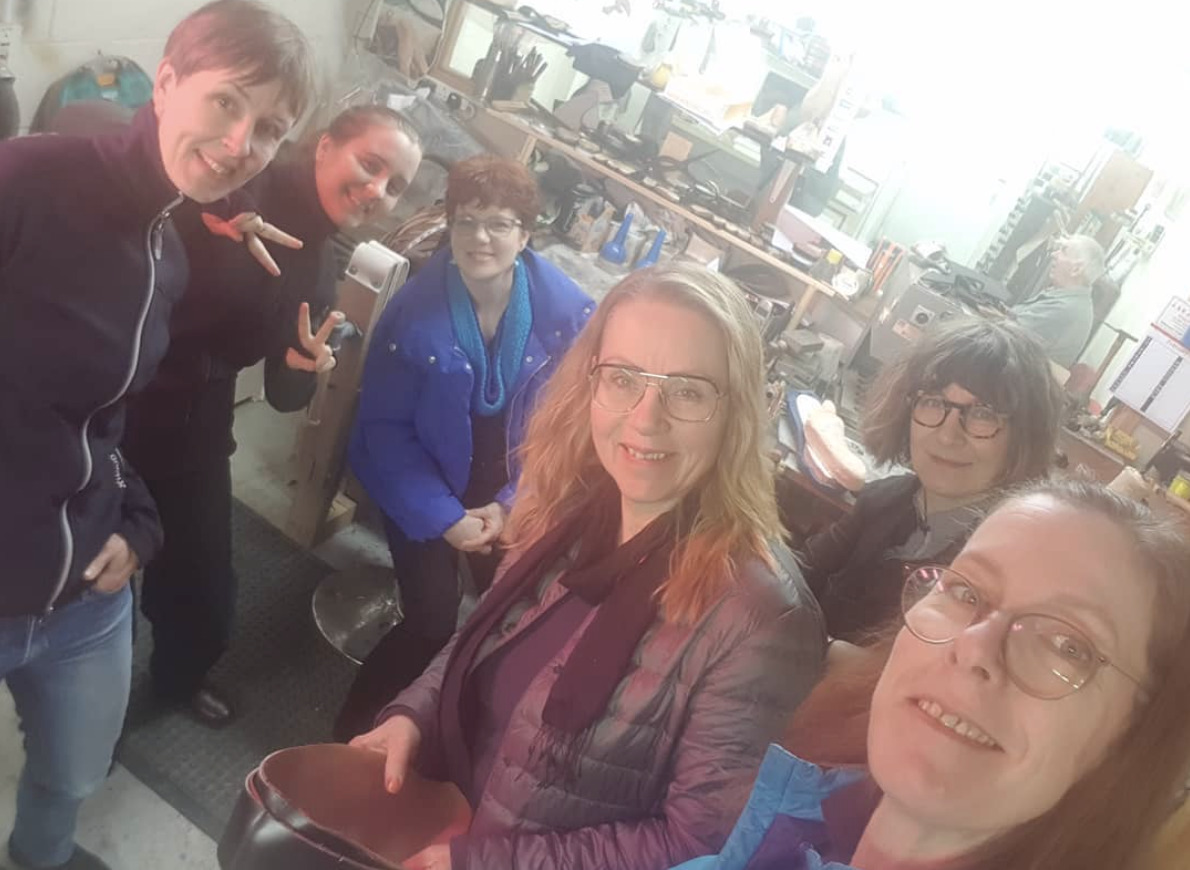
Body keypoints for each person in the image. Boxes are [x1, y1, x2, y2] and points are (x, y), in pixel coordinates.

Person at [349, 264, 828, 870]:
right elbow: (482, 640)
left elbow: (695, 847)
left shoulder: (762, 619)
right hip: (440, 815)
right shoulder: (568, 504)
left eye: (687, 391)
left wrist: (480, 864)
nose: (646, 418)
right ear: (591, 381)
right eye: (624, 378)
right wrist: (412, 716)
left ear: (735, 412)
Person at [0, 2, 314, 868]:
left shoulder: (166, 253)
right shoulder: (26, 182)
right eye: (227, 101)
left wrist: (137, 520)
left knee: (75, 771)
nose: (241, 141)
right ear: (167, 82)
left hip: (85, 597)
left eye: (270, 128)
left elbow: (103, 421)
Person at [670, 477, 1190, 870]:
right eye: (965, 591)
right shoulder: (792, 822)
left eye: (1066, 645)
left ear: (1131, 735)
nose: (975, 646)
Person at [121, 105, 423, 728]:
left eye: (395, 185)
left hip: (193, 424)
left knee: (205, 593)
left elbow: (284, 396)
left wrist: (303, 363)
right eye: (369, 164)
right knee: (88, 577)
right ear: (324, 146)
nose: (376, 190)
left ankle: (177, 681)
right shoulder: (238, 179)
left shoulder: (317, 266)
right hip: (115, 395)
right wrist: (214, 220)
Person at [336, 155, 595, 741]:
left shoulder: (570, 317)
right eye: (467, 222)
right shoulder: (412, 314)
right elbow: (385, 433)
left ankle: (452, 739)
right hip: (422, 484)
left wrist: (511, 503)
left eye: (499, 223)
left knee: (508, 616)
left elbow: (567, 429)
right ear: (449, 226)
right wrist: (445, 520)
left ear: (525, 235)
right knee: (431, 618)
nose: (481, 238)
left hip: (509, 484)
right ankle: (352, 733)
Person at [800, 318, 1062, 642]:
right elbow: (802, 573)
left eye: (983, 414)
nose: (948, 435)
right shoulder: (886, 498)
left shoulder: (1002, 570)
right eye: (934, 402)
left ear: (1023, 438)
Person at [1012, 233, 1106, 368]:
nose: (1054, 254)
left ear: (1076, 269)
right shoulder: (1065, 298)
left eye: (1064, 251)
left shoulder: (1066, 309)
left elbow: (1003, 335)